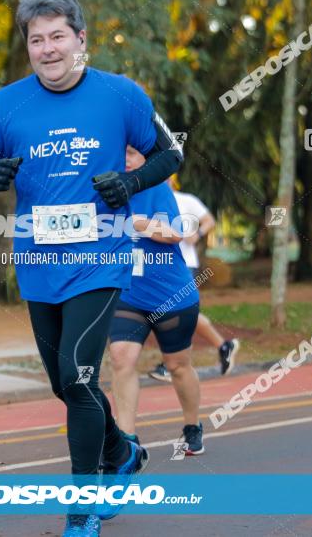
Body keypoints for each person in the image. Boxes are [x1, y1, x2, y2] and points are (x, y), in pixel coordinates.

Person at [0, 0, 183, 537]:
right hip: (37, 263)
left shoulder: (121, 96)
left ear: (81, 40)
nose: (48, 48)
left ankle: (83, 506)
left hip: (101, 259)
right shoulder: (6, 104)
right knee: (65, 383)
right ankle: (122, 450)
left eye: (58, 36)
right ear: (28, 48)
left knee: (78, 377)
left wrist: (130, 182)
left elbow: (171, 152)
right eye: (37, 40)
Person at [108, 146, 205, 455]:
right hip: (128, 294)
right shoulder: (103, 191)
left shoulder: (157, 187)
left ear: (146, 160)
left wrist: (135, 222)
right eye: (119, 150)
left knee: (178, 366)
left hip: (171, 295)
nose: (124, 157)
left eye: (132, 153)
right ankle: (127, 440)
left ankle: (192, 425)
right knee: (122, 358)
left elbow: (176, 233)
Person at [147, 175, 240, 383]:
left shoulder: (185, 200)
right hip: (156, 265)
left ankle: (170, 364)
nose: (163, 182)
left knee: (175, 312)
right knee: (176, 313)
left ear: (173, 180)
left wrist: (197, 234)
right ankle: (223, 346)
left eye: (166, 178)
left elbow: (209, 220)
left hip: (184, 265)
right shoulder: (147, 199)